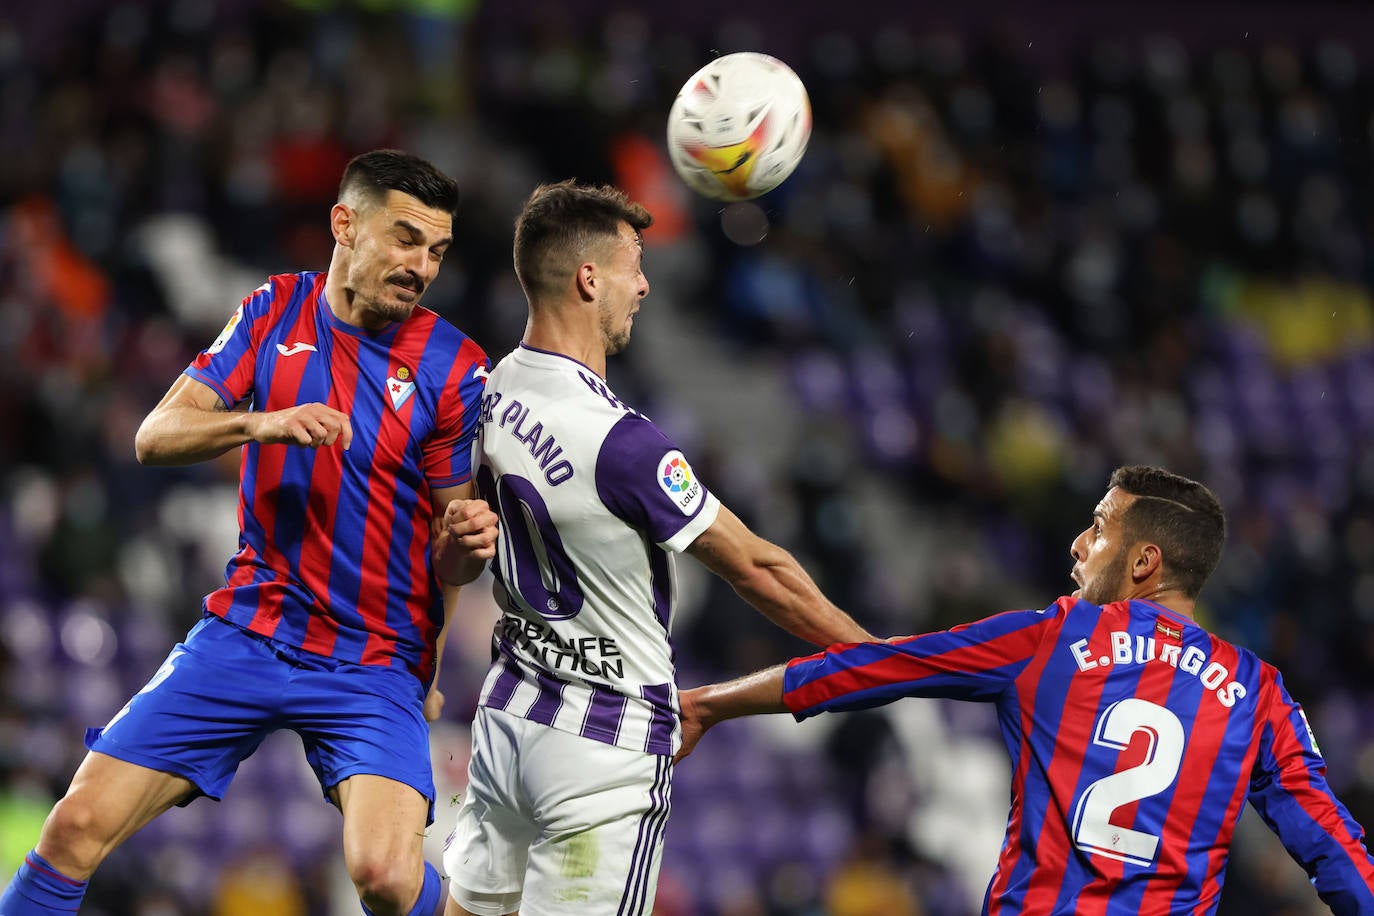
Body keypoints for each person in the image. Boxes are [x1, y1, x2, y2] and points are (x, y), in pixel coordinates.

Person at [0, 149, 498, 916]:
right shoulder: (274, 311)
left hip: (371, 662)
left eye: (436, 250)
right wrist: (258, 422)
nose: (421, 267)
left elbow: (449, 549)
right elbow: (154, 436)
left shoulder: (455, 366)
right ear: (345, 224)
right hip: (248, 630)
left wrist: (456, 570)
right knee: (72, 828)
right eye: (405, 239)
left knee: (388, 879)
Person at [440, 179, 874, 916]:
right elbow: (758, 568)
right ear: (588, 280)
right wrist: (880, 656)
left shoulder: (488, 390)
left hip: (509, 716)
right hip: (600, 752)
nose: (643, 286)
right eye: (633, 267)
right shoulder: (622, 442)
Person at [675, 465, 1374, 915]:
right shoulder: (1257, 693)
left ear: (1144, 561)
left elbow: (870, 670)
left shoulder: (1053, 639)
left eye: (1097, 528)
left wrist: (711, 704)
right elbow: (1332, 847)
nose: (1078, 544)